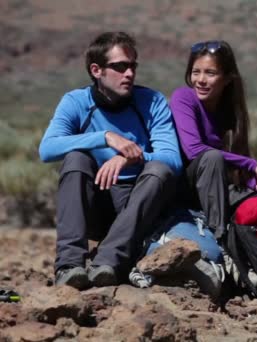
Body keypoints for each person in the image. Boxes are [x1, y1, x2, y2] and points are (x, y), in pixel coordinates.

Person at [39, 32, 182, 289]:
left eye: (132, 66)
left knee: (159, 169)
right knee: (76, 158)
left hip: (139, 205)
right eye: (119, 66)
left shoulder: (152, 102)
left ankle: (107, 261)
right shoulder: (76, 102)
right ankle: (69, 266)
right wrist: (105, 137)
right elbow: (47, 150)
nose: (129, 73)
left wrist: (129, 158)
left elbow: (172, 158)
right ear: (96, 70)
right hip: (99, 203)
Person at [169, 40, 257, 239]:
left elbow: (234, 175)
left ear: (227, 78)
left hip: (216, 193)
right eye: (196, 72)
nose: (201, 80)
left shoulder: (230, 113)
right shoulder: (183, 97)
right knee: (211, 158)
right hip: (182, 191)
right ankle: (220, 238)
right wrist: (251, 164)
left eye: (210, 73)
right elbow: (195, 151)